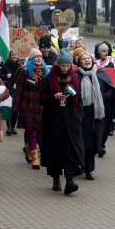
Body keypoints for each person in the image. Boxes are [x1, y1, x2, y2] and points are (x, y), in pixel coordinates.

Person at [39, 48, 85, 194]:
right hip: (53, 121)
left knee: (69, 150)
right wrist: (54, 97)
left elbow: (79, 99)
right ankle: (55, 178)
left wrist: (79, 116)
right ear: (58, 64)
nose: (65, 69)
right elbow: (40, 99)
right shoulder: (48, 78)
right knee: (54, 151)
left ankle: (70, 180)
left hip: (70, 122)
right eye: (63, 66)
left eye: (68, 66)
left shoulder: (75, 78)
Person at [75, 52, 115, 180]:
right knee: (82, 141)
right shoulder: (76, 75)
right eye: (83, 59)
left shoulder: (100, 73)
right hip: (81, 113)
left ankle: (89, 168)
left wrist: (103, 98)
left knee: (94, 141)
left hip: (97, 113)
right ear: (79, 62)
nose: (86, 60)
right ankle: (83, 167)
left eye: (88, 58)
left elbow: (111, 88)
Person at [13, 49, 49, 169]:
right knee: (31, 132)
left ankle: (28, 147)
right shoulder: (24, 71)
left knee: (40, 132)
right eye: (36, 57)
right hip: (28, 105)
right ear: (32, 59)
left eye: (40, 57)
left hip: (41, 105)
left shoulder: (46, 72)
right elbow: (19, 90)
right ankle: (35, 158)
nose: (39, 58)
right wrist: (15, 107)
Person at [94, 42, 115, 144]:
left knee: (106, 121)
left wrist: (107, 96)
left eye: (107, 51)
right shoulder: (94, 64)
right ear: (99, 53)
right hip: (95, 97)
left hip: (107, 98)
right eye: (103, 51)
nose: (106, 53)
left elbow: (113, 82)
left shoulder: (111, 64)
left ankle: (102, 143)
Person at [0, 50, 21, 135]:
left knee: (15, 110)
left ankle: (13, 127)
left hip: (17, 90)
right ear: (10, 56)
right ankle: (8, 127)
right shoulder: (5, 65)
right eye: (12, 55)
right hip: (8, 89)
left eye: (15, 55)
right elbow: (0, 76)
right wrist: (6, 76)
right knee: (9, 108)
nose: (14, 56)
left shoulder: (19, 66)